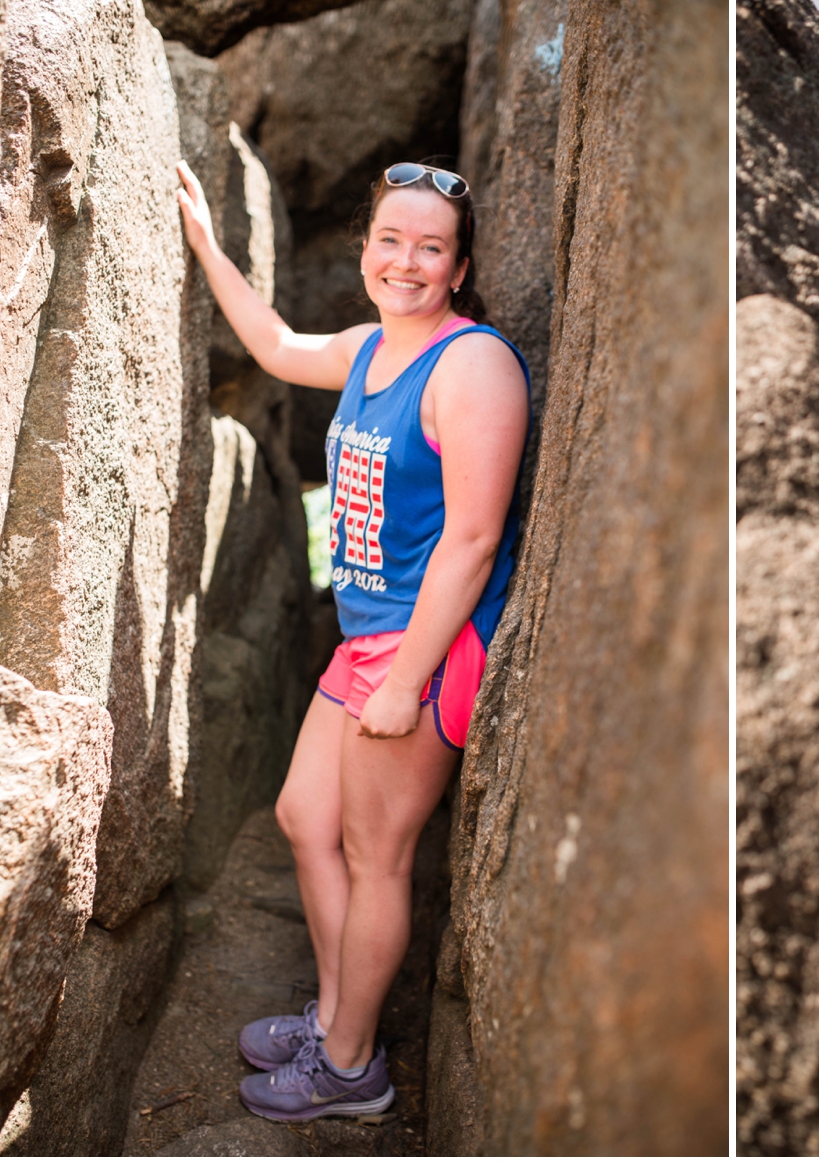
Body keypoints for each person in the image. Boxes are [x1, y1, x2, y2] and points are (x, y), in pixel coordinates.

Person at [176, 159, 530, 1120]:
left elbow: (473, 538)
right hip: (363, 643)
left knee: (377, 855)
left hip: (425, 652)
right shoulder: (371, 348)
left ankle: (350, 1068)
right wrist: (207, 244)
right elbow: (279, 343)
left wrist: (405, 682)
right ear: (366, 250)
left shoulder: (473, 365)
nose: (405, 262)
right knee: (302, 817)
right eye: (390, 241)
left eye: (430, 249)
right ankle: (337, 1015)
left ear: (458, 268)